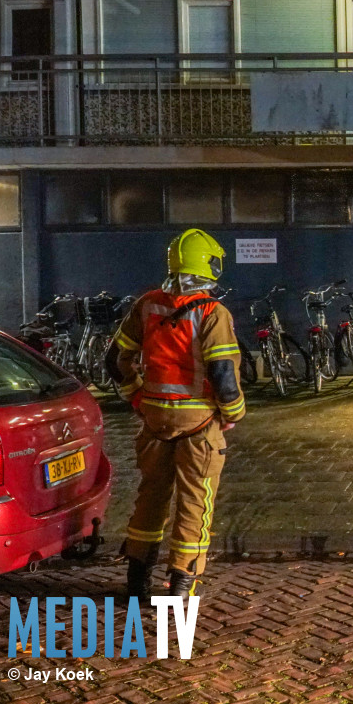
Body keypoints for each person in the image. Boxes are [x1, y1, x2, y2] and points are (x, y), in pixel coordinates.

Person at [107, 229, 246, 600]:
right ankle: (181, 583)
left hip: (153, 420)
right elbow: (222, 372)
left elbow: (115, 358)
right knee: (195, 501)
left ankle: (137, 579)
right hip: (199, 424)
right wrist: (232, 412)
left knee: (150, 495)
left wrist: (136, 395)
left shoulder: (147, 304)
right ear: (208, 266)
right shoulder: (213, 313)